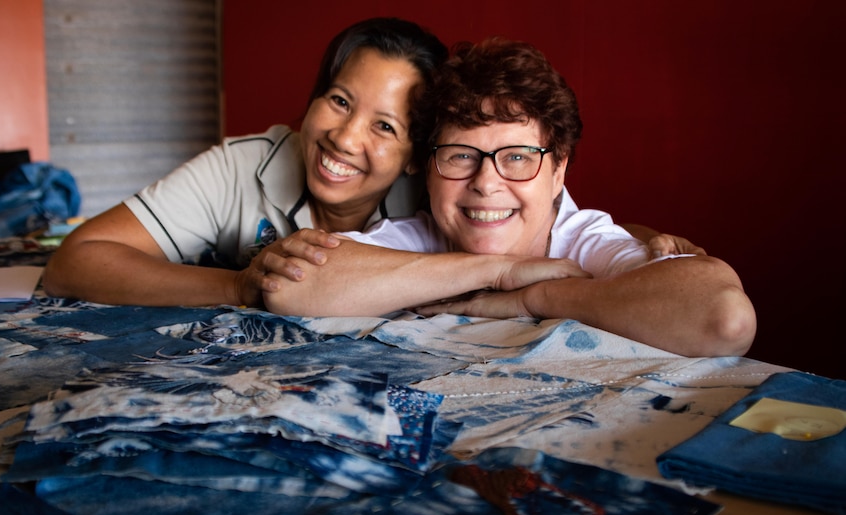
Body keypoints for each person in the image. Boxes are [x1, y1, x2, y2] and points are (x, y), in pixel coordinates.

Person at [43, 18, 699, 310]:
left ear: (417, 155)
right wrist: (237, 286)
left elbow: (538, 226)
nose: (343, 138)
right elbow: (75, 260)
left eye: (384, 125)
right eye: (336, 100)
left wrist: (640, 241)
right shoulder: (244, 166)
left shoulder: (441, 191)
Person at [261, 38, 756, 358]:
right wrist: (499, 272)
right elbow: (288, 290)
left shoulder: (584, 242)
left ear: (558, 168)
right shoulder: (420, 236)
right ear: (428, 168)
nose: (486, 182)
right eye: (460, 156)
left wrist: (531, 298)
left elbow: (724, 319)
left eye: (517, 157)